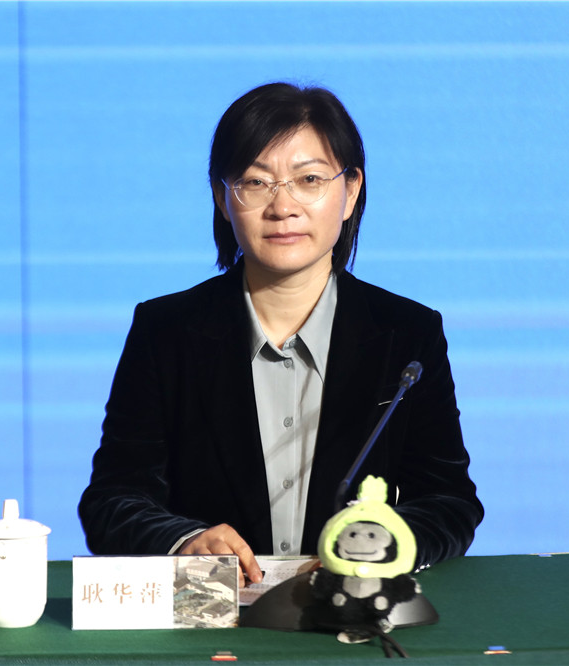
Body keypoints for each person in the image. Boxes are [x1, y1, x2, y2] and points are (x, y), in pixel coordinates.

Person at [78, 82, 483, 586]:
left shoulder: (408, 334)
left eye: (309, 179)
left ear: (351, 190)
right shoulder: (166, 332)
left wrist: (384, 543)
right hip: (216, 614)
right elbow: (113, 501)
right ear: (222, 198)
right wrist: (184, 541)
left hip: (349, 611)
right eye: (256, 182)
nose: (282, 206)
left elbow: (450, 502)